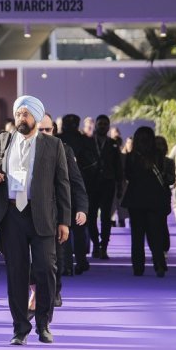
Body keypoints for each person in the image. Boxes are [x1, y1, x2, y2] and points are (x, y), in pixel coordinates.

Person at [0, 95, 70, 345]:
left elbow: (62, 184)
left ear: (36, 117)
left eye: (25, 114)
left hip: (42, 216)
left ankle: (43, 324)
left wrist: (64, 221)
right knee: (17, 273)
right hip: (12, 215)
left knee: (46, 270)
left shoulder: (53, 145)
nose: (21, 118)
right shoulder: (1, 141)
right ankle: (20, 328)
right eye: (18, 114)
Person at [28, 114, 87, 316]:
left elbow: (75, 181)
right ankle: (35, 289)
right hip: (28, 213)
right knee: (30, 258)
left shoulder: (63, 149)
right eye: (40, 130)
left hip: (55, 212)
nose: (44, 133)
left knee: (55, 257)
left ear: (54, 130)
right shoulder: (23, 149)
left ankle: (54, 292)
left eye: (48, 130)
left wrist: (81, 208)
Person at [121, 127, 172, 277]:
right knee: (155, 234)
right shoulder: (158, 156)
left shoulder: (131, 156)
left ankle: (138, 267)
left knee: (137, 236)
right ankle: (159, 264)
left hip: (136, 200)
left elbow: (128, 175)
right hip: (155, 199)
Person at [57, 114, 98, 274]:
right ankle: (80, 260)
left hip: (64, 188)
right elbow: (94, 163)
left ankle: (68, 264)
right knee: (79, 228)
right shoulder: (84, 141)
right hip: (79, 186)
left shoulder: (59, 141)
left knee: (64, 225)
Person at [88, 115, 123, 260]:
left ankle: (104, 246)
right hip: (91, 184)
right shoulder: (88, 142)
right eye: (100, 124)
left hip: (108, 184)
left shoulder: (113, 144)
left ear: (108, 127)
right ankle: (95, 244)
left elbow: (118, 166)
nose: (102, 126)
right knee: (90, 217)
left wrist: (120, 185)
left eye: (105, 124)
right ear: (96, 125)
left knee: (106, 217)